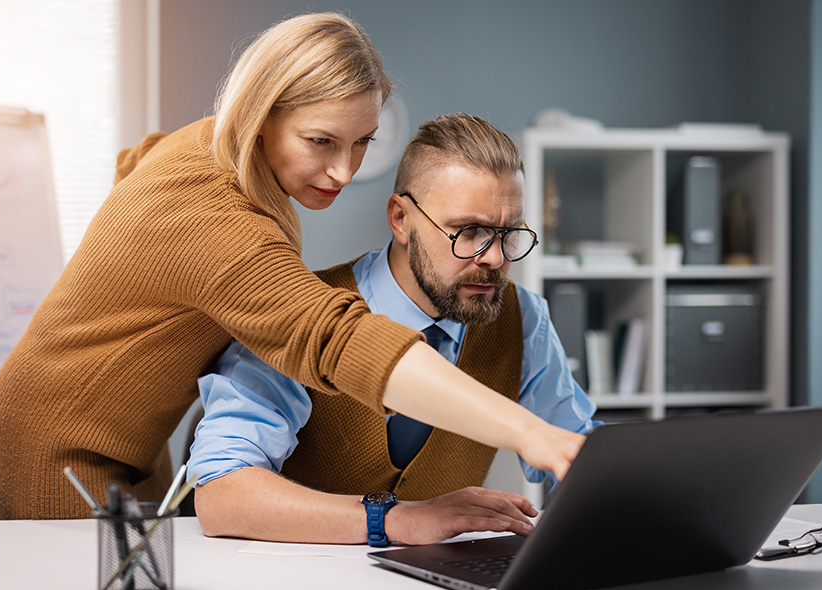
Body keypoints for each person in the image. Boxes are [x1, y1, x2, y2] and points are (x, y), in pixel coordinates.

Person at [0, 13, 584, 520]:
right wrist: (529, 433)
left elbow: (137, 157)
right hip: (60, 439)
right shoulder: (208, 210)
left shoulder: (224, 154)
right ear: (260, 112)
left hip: (137, 436)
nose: (344, 172)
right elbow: (332, 336)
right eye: (321, 141)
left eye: (362, 141)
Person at [189, 113, 599, 545]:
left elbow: (576, 452)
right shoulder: (301, 312)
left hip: (439, 581)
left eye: (508, 234)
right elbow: (222, 497)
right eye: (469, 231)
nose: (494, 258)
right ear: (400, 219)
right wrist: (395, 519)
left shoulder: (523, 318)